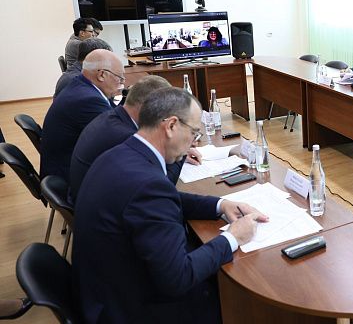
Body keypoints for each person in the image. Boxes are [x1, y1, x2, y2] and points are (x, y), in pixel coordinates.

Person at [72, 87, 268, 323]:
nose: (194, 141)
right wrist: (233, 237)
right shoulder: (148, 186)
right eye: (194, 132)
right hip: (133, 309)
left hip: (103, 288)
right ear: (171, 125)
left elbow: (164, 200)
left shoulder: (118, 154)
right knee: (242, 297)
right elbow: (178, 278)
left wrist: (220, 204)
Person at [68, 75, 205, 205]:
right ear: (148, 107)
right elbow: (164, 185)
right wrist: (180, 149)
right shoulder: (126, 136)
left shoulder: (113, 117)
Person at [40, 49, 123, 182]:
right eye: (119, 78)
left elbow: (113, 115)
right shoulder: (89, 100)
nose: (121, 84)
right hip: (71, 178)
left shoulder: (80, 85)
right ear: (102, 75)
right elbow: (119, 136)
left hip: (64, 165)